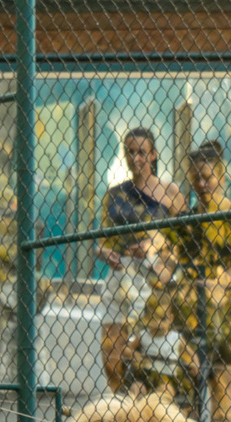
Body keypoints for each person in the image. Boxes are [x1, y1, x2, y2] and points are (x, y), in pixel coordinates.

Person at [165, 139, 231, 422]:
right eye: (195, 177)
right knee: (187, 378)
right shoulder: (185, 220)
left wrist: (222, 282)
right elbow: (169, 259)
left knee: (221, 381)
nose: (201, 183)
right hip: (193, 308)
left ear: (220, 178)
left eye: (207, 177)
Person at [96, 128, 183, 394]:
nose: (137, 159)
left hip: (153, 279)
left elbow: (185, 240)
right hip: (121, 277)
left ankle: (146, 416)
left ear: (154, 154)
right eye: (131, 152)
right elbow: (100, 241)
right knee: (112, 355)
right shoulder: (114, 194)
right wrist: (103, 253)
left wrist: (156, 245)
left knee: (147, 360)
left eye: (142, 152)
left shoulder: (170, 193)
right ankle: (121, 410)